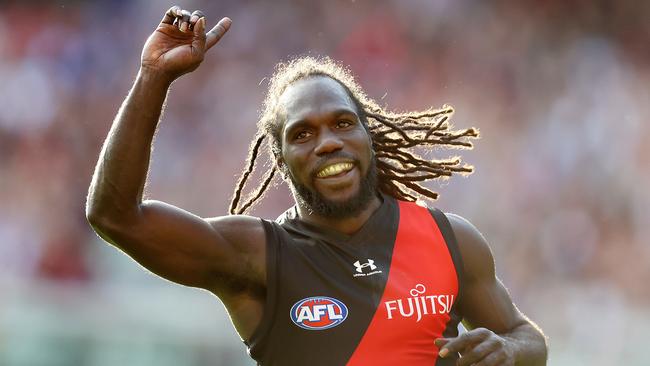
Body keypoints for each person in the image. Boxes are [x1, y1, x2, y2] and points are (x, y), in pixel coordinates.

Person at [86, 6, 548, 366]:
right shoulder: (257, 255)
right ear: (281, 160)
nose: (328, 143)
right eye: (302, 134)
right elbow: (115, 217)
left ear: (369, 136)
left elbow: (527, 337)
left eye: (343, 124)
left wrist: (508, 352)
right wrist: (154, 78)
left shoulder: (451, 240)